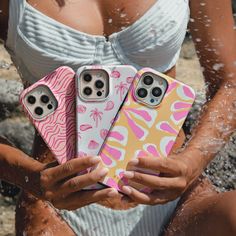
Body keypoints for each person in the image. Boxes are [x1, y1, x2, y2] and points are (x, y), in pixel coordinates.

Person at [0, 0, 236, 235]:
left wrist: (191, 163)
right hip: (57, 205)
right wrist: (29, 176)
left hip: (177, 199)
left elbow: (230, 82)